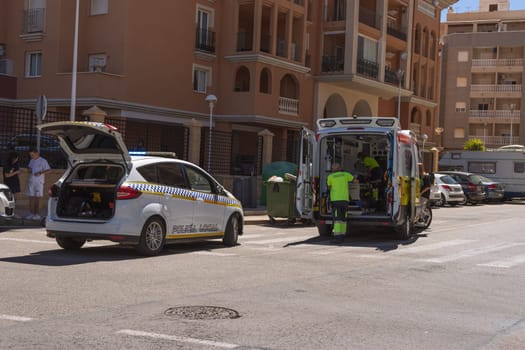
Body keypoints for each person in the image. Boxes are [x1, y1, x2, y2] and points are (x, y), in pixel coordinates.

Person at [327, 163, 356, 244]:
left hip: (336, 200)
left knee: (337, 220)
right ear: (340, 168)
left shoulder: (330, 177)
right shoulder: (346, 175)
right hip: (344, 200)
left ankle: (337, 238)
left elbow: (329, 186)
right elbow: (355, 180)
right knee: (343, 218)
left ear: (333, 169)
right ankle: (342, 235)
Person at [26, 149, 51, 220]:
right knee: (31, 198)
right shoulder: (31, 160)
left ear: (37, 153)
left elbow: (49, 170)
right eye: (30, 155)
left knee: (38, 198)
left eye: (32, 155)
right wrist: (29, 169)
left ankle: (37, 214)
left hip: (39, 182)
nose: (31, 156)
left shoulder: (43, 161)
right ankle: (31, 213)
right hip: (31, 181)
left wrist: (40, 173)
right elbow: (29, 168)